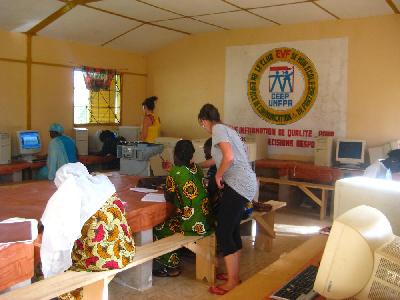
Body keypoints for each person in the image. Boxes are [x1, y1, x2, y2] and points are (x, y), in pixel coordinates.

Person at [40, 162, 135, 299]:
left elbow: (58, 235)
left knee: (62, 263)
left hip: (101, 259)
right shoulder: (102, 183)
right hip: (124, 251)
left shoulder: (70, 191)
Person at [198, 104, 257, 295]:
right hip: (245, 183)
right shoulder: (226, 128)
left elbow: (229, 157)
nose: (204, 127)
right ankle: (234, 275)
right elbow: (218, 158)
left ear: (204, 121)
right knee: (231, 228)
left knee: (223, 230)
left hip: (239, 184)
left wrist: (218, 176)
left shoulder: (217, 129)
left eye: (202, 124)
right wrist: (197, 166)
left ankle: (232, 281)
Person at [153, 140, 213, 277]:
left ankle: (170, 267)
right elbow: (184, 174)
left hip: (192, 223)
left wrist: (169, 178)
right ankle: (183, 252)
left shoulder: (174, 174)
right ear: (192, 155)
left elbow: (169, 198)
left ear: (175, 155)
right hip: (206, 218)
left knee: (161, 227)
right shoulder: (196, 168)